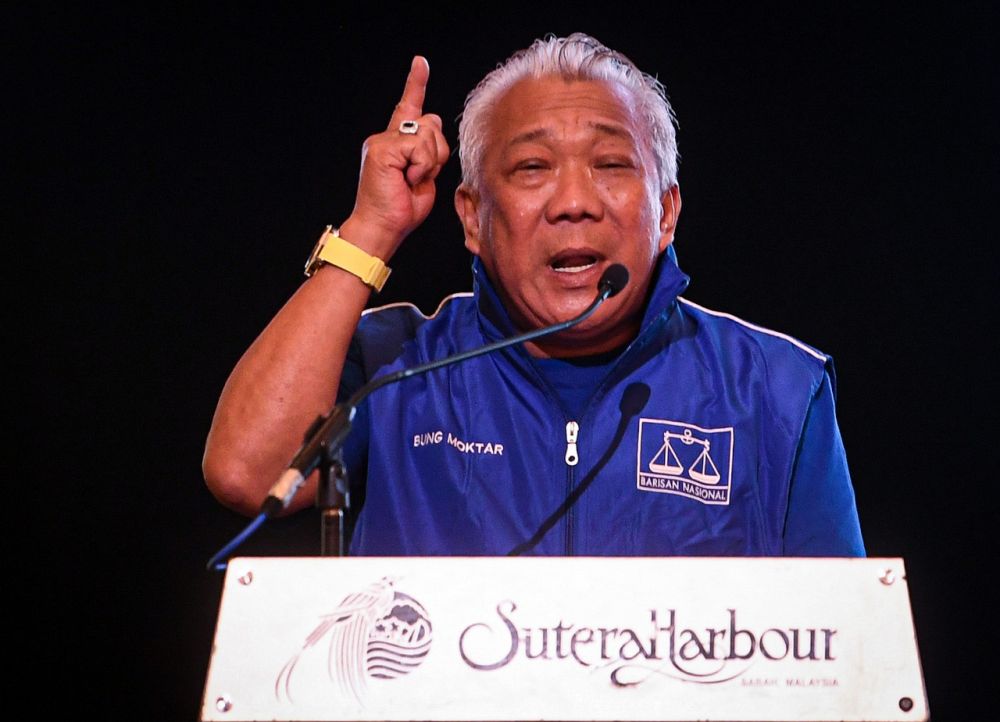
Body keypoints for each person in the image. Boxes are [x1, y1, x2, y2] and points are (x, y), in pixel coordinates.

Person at [203, 33, 865, 557]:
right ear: (471, 217)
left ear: (665, 214)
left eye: (610, 165)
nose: (574, 203)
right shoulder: (393, 367)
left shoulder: (777, 391)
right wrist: (370, 229)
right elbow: (247, 474)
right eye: (531, 168)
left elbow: (843, 660)